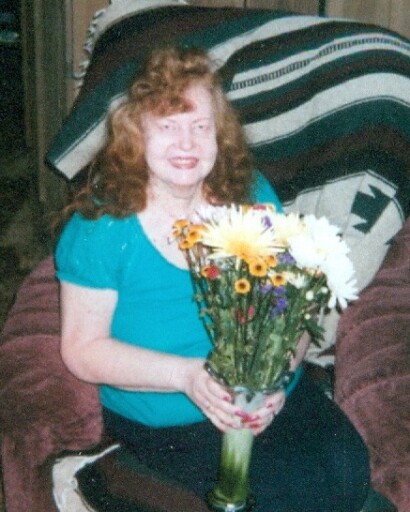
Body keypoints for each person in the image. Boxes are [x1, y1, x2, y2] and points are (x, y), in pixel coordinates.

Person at [55, 47, 370, 511]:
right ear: (136, 135)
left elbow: (296, 305)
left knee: (349, 472)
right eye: (168, 127)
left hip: (267, 399)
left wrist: (277, 381)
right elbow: (82, 350)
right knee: (280, 499)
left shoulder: (251, 195)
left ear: (219, 135)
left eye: (200, 127)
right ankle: (113, 476)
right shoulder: (102, 226)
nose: (186, 144)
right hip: (168, 417)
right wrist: (188, 376)